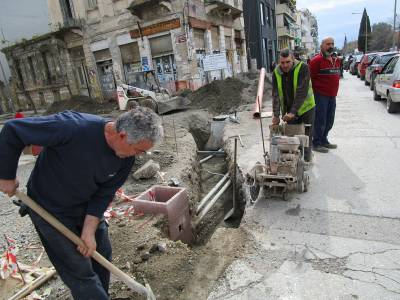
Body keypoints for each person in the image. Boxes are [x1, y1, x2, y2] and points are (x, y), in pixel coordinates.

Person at [0, 107, 163, 299]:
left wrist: (88, 231)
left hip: (84, 205)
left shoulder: (125, 159)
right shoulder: (73, 128)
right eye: (139, 150)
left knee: (102, 253)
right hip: (49, 208)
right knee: (79, 271)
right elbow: (13, 130)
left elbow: (104, 193)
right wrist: (6, 174)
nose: (139, 156)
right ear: (122, 135)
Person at [272, 49, 316, 162]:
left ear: (293, 60)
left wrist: (292, 112)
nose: (285, 65)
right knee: (292, 137)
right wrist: (276, 115)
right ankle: (294, 161)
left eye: (288, 62)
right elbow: (275, 94)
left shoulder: (303, 68)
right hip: (290, 109)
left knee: (306, 136)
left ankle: (306, 160)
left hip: (306, 108)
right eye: (282, 63)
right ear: (279, 62)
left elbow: (302, 92)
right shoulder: (276, 72)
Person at [309, 37, 341, 153]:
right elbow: (310, 78)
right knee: (320, 120)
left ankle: (324, 140)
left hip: (332, 95)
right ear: (322, 46)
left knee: (330, 119)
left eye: (332, 44)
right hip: (320, 95)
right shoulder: (316, 60)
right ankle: (316, 143)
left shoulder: (336, 59)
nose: (330, 46)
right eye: (328, 44)